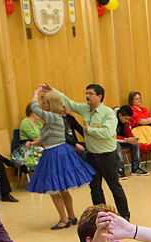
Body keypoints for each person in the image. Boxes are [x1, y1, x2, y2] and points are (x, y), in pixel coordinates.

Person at [43, 82, 130, 219]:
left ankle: (124, 216)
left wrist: (89, 130)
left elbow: (107, 133)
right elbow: (69, 103)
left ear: (99, 96)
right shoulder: (85, 109)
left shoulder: (108, 113)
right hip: (91, 156)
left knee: (115, 187)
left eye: (90, 93)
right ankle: (101, 215)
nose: (87, 96)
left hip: (107, 156)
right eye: (86, 93)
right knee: (95, 188)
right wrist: (53, 90)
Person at [27, 89, 96, 230]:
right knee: (63, 189)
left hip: (54, 154)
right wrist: (34, 143)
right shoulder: (55, 118)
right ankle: (71, 216)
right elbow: (47, 137)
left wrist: (35, 93)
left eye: (44, 102)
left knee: (53, 189)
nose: (41, 104)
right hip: (58, 152)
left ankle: (64, 219)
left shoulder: (52, 117)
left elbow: (34, 108)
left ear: (51, 104)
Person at [115, 105, 147, 178]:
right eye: (125, 118)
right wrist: (126, 140)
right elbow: (111, 137)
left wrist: (132, 139)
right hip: (111, 141)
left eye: (128, 119)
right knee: (116, 145)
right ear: (120, 115)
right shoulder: (112, 120)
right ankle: (120, 170)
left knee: (135, 144)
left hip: (122, 140)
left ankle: (135, 168)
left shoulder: (126, 122)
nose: (127, 121)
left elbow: (128, 133)